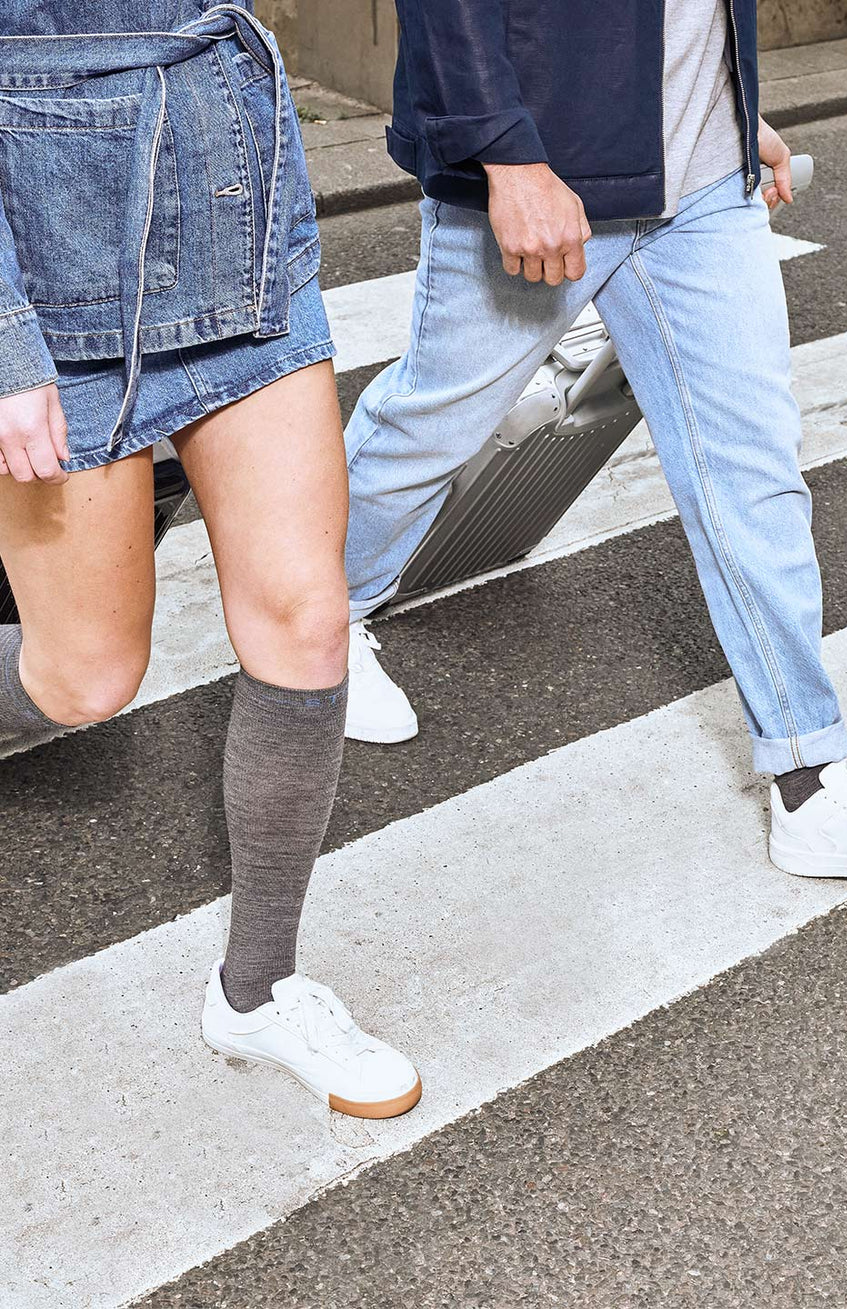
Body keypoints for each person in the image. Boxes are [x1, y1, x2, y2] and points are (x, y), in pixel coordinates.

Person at [342, 0, 847, 887]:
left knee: (752, 472)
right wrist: (505, 153)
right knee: (430, 426)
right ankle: (319, 616)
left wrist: (729, 101)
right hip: (547, 168)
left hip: (706, 189)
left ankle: (808, 779)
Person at [0, 3, 420, 1119]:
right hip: (49, 281)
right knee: (82, 678)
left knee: (308, 620)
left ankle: (258, 988)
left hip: (236, 228)